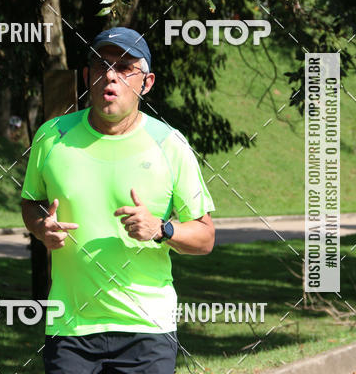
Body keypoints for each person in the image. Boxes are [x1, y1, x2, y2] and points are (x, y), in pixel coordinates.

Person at [21, 27, 216, 373]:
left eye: (125, 68)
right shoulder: (52, 137)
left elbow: (205, 237)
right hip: (70, 328)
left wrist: (162, 229)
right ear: (87, 76)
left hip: (147, 329)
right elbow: (31, 201)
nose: (110, 76)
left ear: (147, 83)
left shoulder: (170, 145)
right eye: (101, 65)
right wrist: (40, 227)